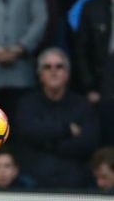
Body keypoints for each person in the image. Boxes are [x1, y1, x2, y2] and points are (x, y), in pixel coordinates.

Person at [14, 48, 99, 188]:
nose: (53, 71)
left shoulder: (82, 105)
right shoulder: (27, 104)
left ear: (67, 74)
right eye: (47, 67)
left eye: (59, 66)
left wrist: (47, 144)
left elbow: (88, 142)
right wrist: (67, 130)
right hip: (33, 180)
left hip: (76, 180)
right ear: (40, 75)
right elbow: (28, 133)